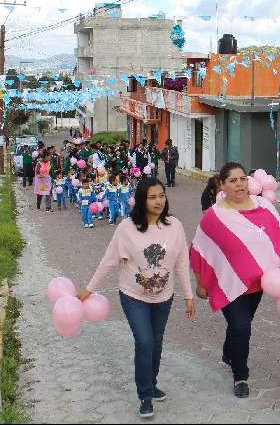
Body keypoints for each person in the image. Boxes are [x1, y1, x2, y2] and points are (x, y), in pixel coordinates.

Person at [77, 177, 195, 419]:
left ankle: (151, 383)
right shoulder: (127, 228)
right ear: (141, 199)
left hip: (165, 296)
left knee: (157, 341)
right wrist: (89, 289)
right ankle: (145, 395)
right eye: (152, 197)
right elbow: (109, 261)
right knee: (144, 342)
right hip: (133, 296)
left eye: (161, 195)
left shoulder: (175, 226)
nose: (158, 201)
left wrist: (188, 295)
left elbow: (182, 262)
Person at [190, 162, 280, 399]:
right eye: (233, 180)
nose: (240, 184)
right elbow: (198, 250)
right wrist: (200, 283)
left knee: (240, 326)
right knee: (242, 327)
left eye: (243, 179)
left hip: (259, 283)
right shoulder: (214, 216)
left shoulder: (264, 206)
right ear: (222, 185)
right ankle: (240, 375)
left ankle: (228, 353)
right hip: (228, 284)